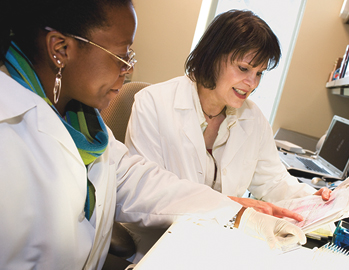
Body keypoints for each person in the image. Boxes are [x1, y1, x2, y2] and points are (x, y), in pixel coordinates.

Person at [0, 1, 306, 269]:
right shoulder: (9, 132)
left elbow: (145, 183)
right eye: (121, 57)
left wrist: (239, 214)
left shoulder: (84, 124)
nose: (128, 70)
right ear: (61, 49)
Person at [125, 10, 331, 216]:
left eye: (259, 73)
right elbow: (146, 193)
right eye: (243, 68)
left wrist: (312, 199)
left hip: (220, 235)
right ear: (212, 57)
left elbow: (273, 182)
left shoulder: (253, 118)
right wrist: (231, 204)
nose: (252, 83)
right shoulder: (153, 103)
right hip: (159, 238)